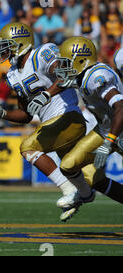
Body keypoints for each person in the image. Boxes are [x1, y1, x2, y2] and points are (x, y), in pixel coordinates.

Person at [0, 23, 87, 221]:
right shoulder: (13, 74)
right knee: (87, 176)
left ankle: (68, 190)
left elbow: (66, 74)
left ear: (21, 42)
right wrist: (3, 114)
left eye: (7, 45)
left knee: (28, 147)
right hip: (53, 125)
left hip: (68, 117)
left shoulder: (42, 54)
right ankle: (84, 193)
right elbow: (26, 115)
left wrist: (46, 95)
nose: (3, 51)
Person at [48, 37, 123, 212]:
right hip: (106, 130)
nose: (62, 67)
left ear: (81, 60)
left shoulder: (97, 77)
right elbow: (81, 83)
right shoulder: (84, 76)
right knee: (68, 165)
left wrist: (108, 142)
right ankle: (85, 194)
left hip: (116, 131)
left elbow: (121, 107)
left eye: (66, 63)